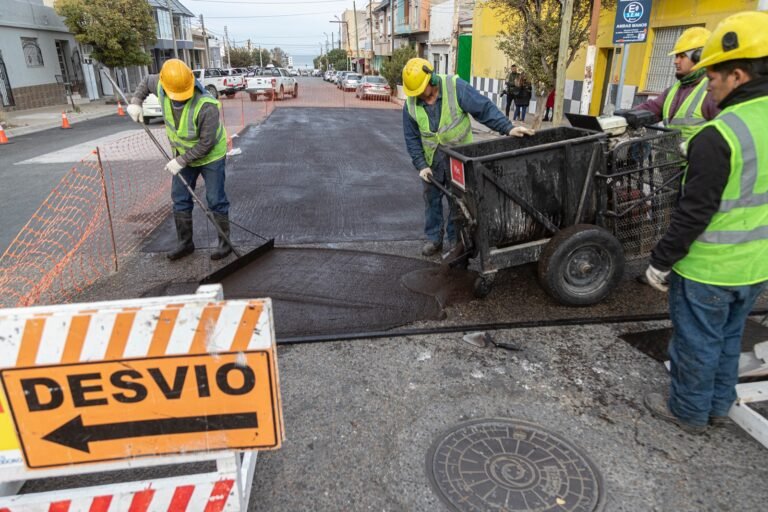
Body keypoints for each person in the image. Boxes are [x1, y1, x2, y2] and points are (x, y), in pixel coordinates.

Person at [643, 11, 768, 435]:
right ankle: (717, 407)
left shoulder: (720, 135)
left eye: (713, 75)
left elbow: (694, 213)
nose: (708, 83)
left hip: (709, 268)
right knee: (730, 339)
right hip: (755, 266)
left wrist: (661, 260)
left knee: (696, 341)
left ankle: (688, 412)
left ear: (738, 75)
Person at [401, 58, 535, 257]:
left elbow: (484, 109)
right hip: (432, 162)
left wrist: (508, 128)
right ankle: (434, 238)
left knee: (458, 202)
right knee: (431, 200)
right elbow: (411, 138)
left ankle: (456, 242)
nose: (419, 95)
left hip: (458, 158)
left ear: (432, 79)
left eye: (422, 90)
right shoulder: (411, 105)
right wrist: (421, 165)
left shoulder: (455, 87)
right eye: (416, 92)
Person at [127, 59, 232, 261]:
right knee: (180, 198)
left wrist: (180, 161)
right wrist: (136, 102)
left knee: (215, 200)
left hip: (211, 156)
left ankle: (224, 244)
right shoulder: (162, 83)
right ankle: (185, 243)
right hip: (183, 154)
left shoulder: (207, 106)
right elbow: (146, 81)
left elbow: (206, 143)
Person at [632, 27, 720, 140]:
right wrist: (623, 117)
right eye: (676, 56)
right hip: (669, 151)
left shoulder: (713, 90)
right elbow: (651, 108)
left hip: (697, 152)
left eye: (682, 56)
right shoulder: (674, 89)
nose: (675, 61)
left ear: (700, 57)